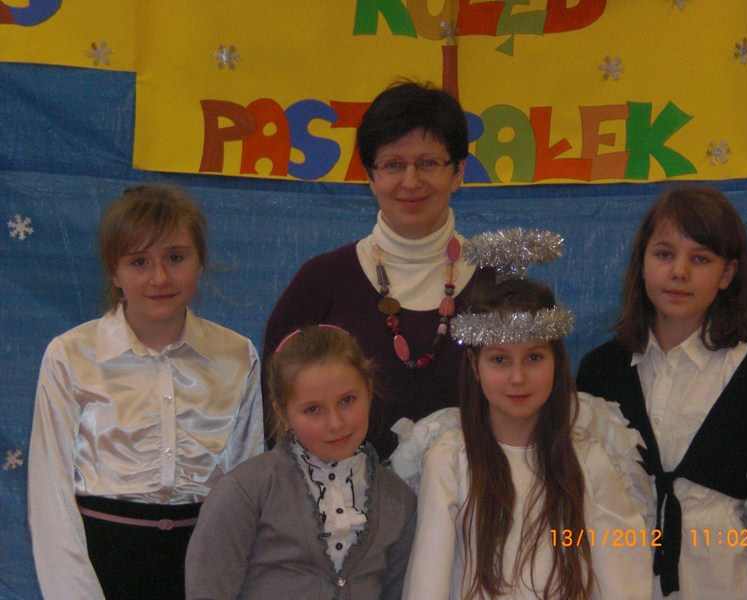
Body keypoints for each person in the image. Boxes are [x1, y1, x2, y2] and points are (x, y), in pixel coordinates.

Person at [28, 184, 264, 600]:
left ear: (200, 262)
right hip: (102, 562)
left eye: (175, 257)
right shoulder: (71, 356)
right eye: (139, 261)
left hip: (204, 562)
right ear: (114, 273)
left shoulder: (236, 356)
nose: (160, 277)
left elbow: (247, 488)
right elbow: (50, 492)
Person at [576, 186, 747, 600]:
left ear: (727, 274)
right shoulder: (600, 371)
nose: (679, 272)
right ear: (642, 263)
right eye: (664, 254)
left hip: (722, 580)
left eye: (700, 259)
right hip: (620, 576)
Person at [262, 80, 494, 459]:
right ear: (370, 177)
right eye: (393, 165)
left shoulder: (496, 283)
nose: (411, 182)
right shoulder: (320, 284)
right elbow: (278, 427)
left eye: (429, 163)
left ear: (458, 171)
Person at [394, 278, 652, 600]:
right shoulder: (450, 460)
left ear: (556, 361)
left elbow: (623, 580)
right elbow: (427, 583)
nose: (518, 378)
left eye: (533, 358)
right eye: (500, 359)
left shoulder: (588, 461)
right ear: (475, 365)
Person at [185, 325, 417, 599]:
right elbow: (208, 589)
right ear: (283, 414)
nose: (335, 423)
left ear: (369, 390)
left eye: (347, 400)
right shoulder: (246, 491)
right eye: (313, 409)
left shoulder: (398, 499)